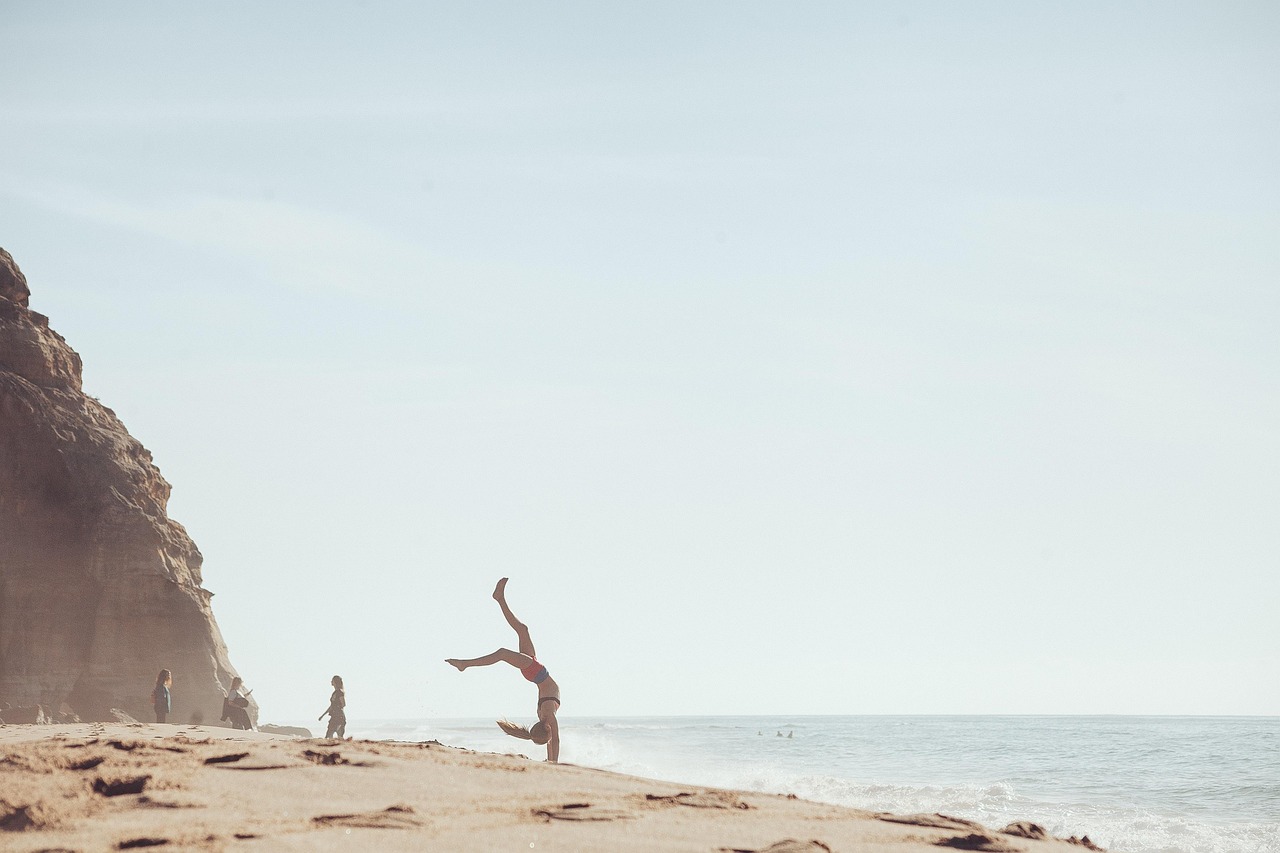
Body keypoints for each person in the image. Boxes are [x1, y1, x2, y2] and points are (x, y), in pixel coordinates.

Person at [446, 577, 561, 763]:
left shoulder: (547, 715)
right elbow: (551, 741)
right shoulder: (544, 716)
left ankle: (464, 664)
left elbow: (554, 740)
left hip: (536, 672)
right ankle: (499, 598)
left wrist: (554, 763)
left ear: (547, 729)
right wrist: (550, 761)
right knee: (522, 630)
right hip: (534, 673)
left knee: (502, 653)